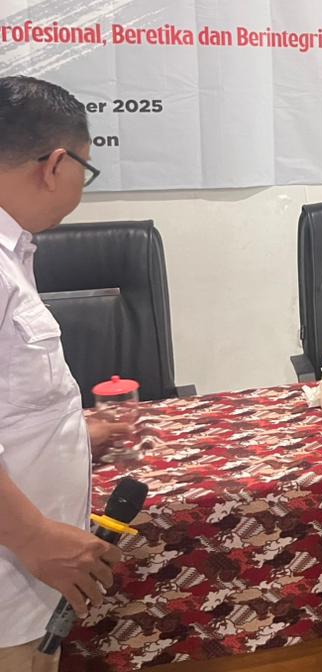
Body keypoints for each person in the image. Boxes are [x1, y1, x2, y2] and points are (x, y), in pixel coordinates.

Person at [0, 76, 130, 672]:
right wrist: (31, 535)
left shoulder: (14, 252)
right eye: (86, 168)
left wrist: (70, 432)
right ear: (56, 165)